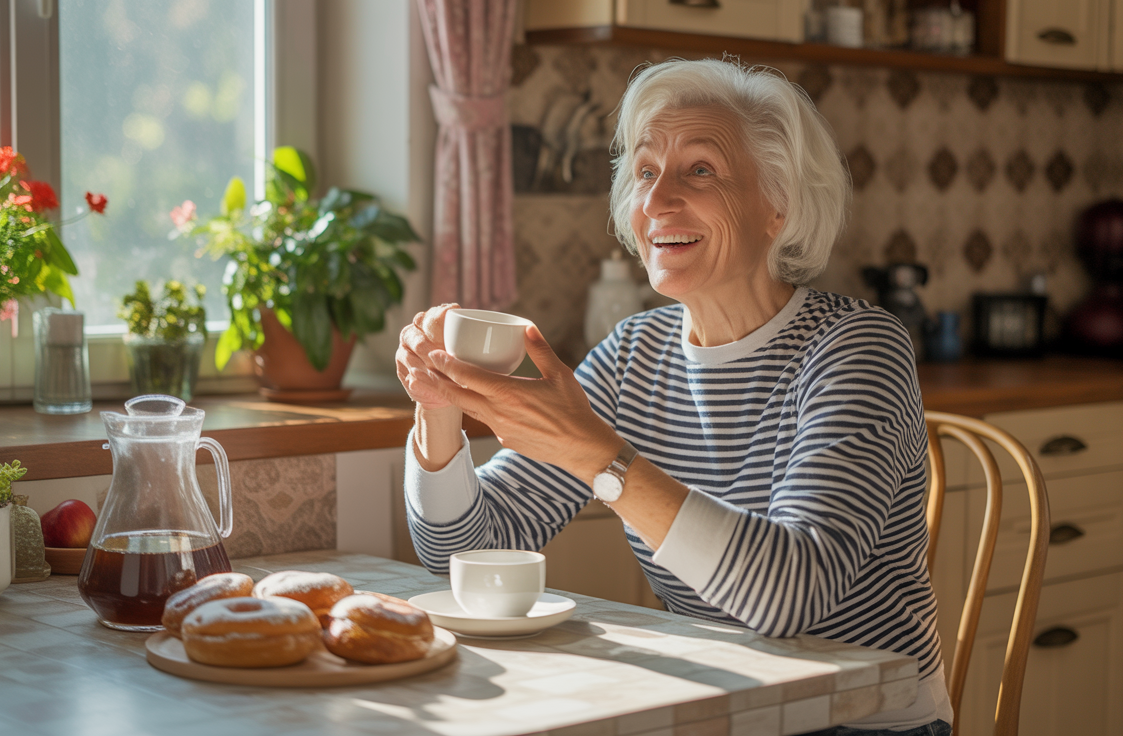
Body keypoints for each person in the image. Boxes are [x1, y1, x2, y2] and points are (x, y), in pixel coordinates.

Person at [396, 58, 953, 735]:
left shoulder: (856, 347)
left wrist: (598, 456)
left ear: (777, 205)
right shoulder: (636, 352)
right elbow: (467, 548)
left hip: (861, 720)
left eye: (701, 170)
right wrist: (439, 409)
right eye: (645, 171)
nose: (657, 201)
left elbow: (791, 598)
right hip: (718, 706)